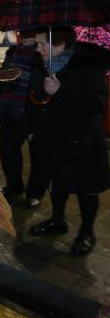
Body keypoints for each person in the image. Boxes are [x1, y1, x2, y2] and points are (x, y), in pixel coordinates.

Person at [27, 28, 110, 256]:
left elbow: (95, 105)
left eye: (43, 44)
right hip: (53, 137)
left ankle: (86, 232)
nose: (38, 49)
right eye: (37, 44)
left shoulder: (88, 65)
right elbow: (36, 97)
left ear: (61, 43)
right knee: (57, 183)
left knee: (85, 189)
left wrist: (61, 91)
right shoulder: (43, 64)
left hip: (81, 139)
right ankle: (58, 221)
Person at [0, 31, 47, 207]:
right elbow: (1, 84)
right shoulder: (12, 51)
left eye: (31, 29)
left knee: (37, 156)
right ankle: (14, 187)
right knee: (7, 152)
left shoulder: (42, 54)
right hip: (9, 110)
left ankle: (34, 193)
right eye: (23, 29)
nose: (26, 34)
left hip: (33, 111)